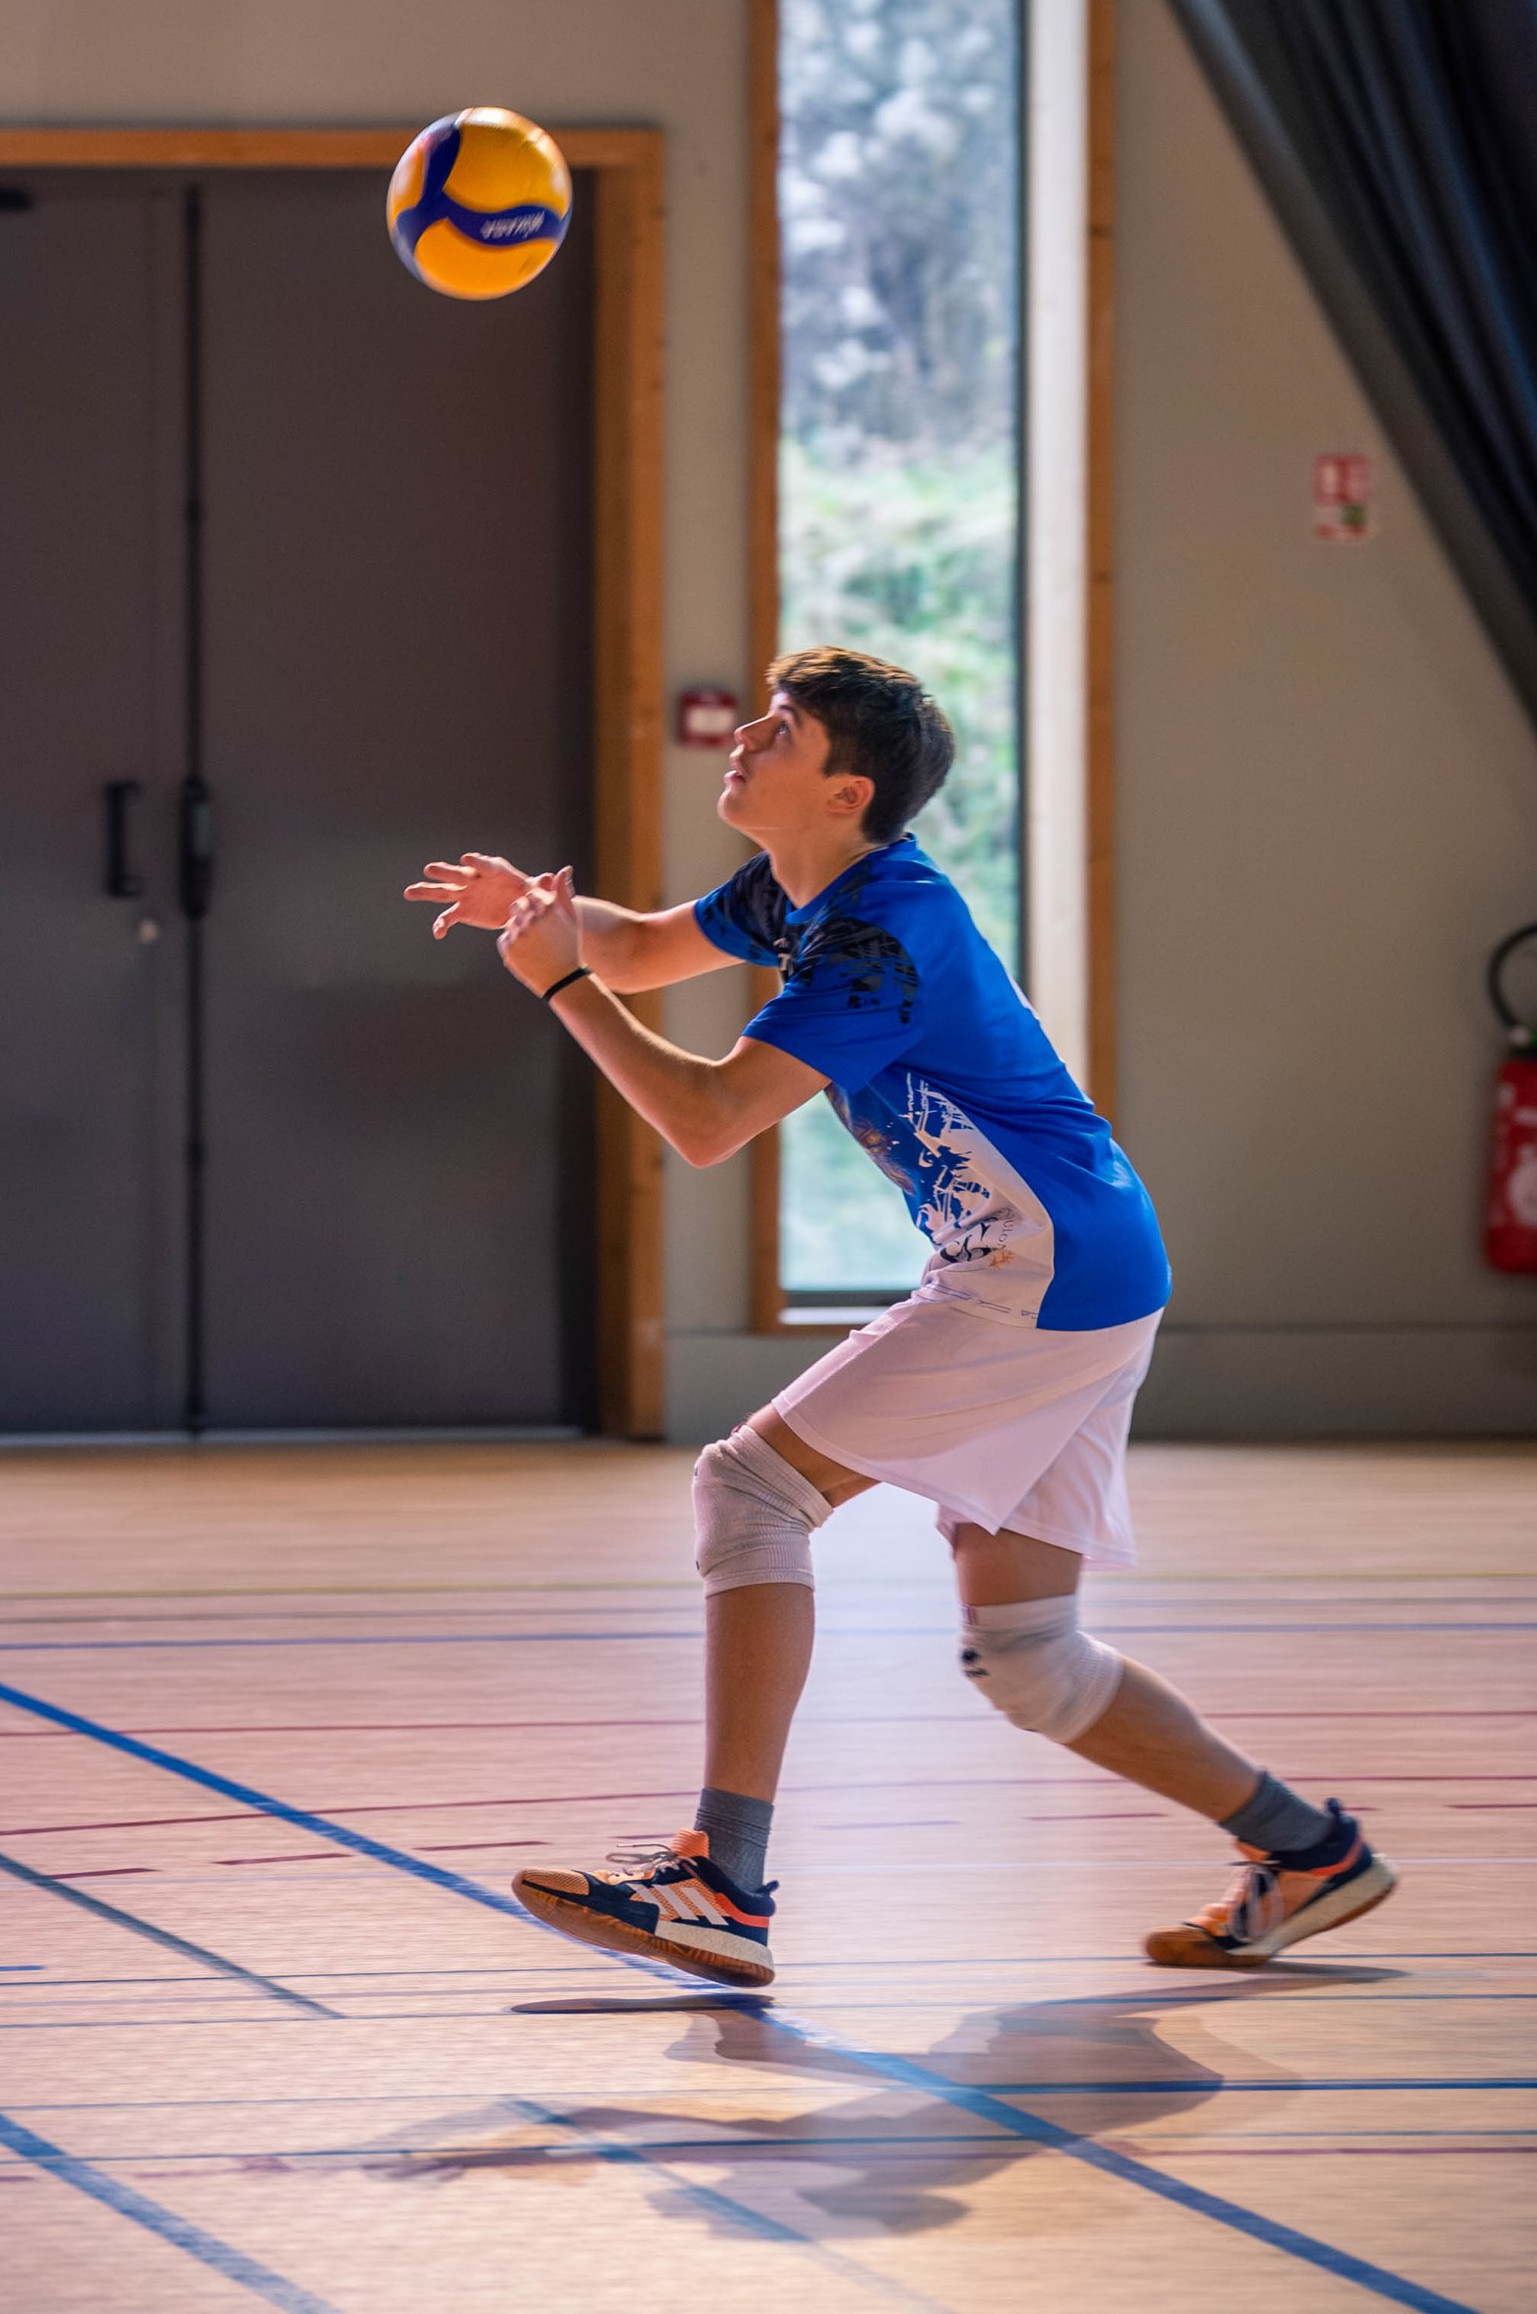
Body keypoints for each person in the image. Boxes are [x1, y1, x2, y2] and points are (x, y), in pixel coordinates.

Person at [405, 644, 1394, 1990]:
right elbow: (640, 950)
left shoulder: (879, 936)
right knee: (1033, 1658)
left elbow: (704, 1121)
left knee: (750, 1492)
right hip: (1092, 1265)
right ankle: (1310, 1850)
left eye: (783, 730)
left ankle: (720, 1881)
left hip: (1038, 1269)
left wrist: (561, 992)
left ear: (846, 791)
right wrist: (557, 925)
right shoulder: (799, 888)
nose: (746, 737)